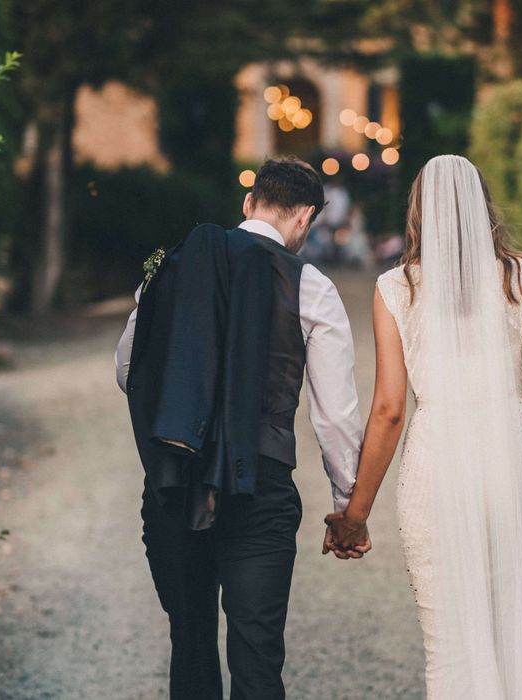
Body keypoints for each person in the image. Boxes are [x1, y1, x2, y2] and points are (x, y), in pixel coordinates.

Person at [114, 156, 365, 700]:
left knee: (192, 642)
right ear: (306, 217)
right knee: (256, 654)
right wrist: (349, 502)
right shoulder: (310, 285)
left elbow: (127, 368)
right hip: (261, 484)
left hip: (175, 482)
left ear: (248, 203)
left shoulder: (172, 266)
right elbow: (334, 413)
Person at [326, 154, 522, 699]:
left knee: (450, 649)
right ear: (482, 206)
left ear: (418, 212)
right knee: (506, 631)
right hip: (515, 458)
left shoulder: (396, 289)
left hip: (438, 469)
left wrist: (354, 514)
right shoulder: (521, 274)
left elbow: (390, 410)